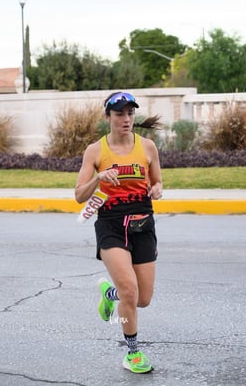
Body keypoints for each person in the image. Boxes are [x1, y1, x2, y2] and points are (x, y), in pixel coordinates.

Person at [75, 91, 163, 373]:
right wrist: (99, 177)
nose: (126, 119)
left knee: (142, 299)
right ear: (108, 117)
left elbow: (158, 181)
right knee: (130, 290)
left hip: (143, 225)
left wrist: (158, 188)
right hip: (111, 224)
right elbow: (79, 195)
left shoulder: (147, 147)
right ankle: (133, 354)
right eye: (119, 114)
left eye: (130, 113)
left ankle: (109, 294)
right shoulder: (96, 151)